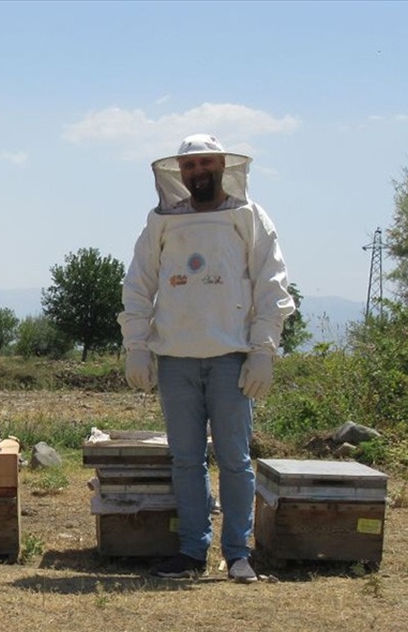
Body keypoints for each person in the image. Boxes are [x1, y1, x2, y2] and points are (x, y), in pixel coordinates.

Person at [118, 134, 294, 583]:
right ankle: (192, 552)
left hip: (231, 357)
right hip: (175, 356)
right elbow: (139, 283)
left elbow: (272, 283)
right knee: (185, 459)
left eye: (205, 163)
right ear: (180, 173)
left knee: (235, 460)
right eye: (190, 166)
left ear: (222, 166)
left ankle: (238, 552)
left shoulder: (248, 216)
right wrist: (137, 344)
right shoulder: (161, 221)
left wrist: (263, 351)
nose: (198, 172)